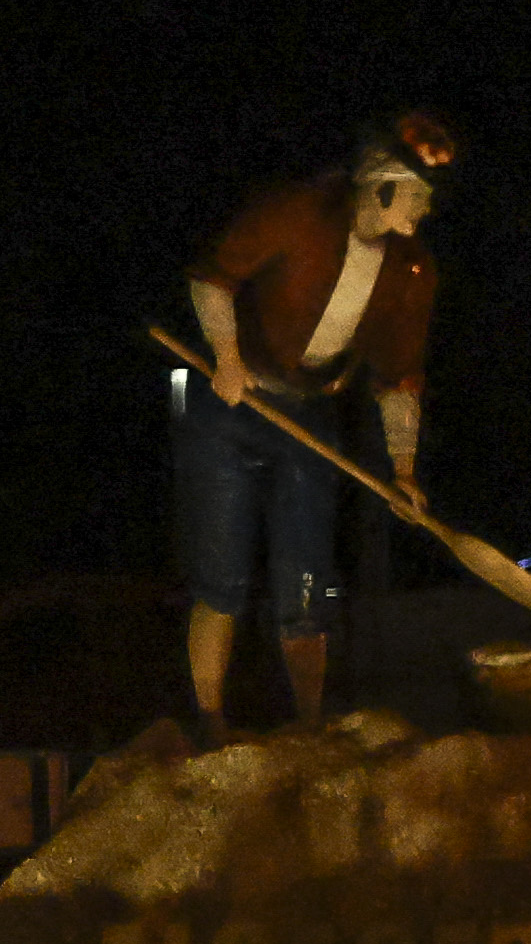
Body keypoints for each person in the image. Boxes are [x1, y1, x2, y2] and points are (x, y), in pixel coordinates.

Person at [176, 109, 454, 732]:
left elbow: (398, 381)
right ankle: (209, 720)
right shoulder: (297, 213)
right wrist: (224, 357)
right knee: (220, 573)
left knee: (307, 580)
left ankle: (307, 722)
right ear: (381, 186)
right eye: (418, 195)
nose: (425, 210)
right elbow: (211, 281)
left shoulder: (412, 271)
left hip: (309, 412)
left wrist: (404, 471)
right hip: (232, 405)